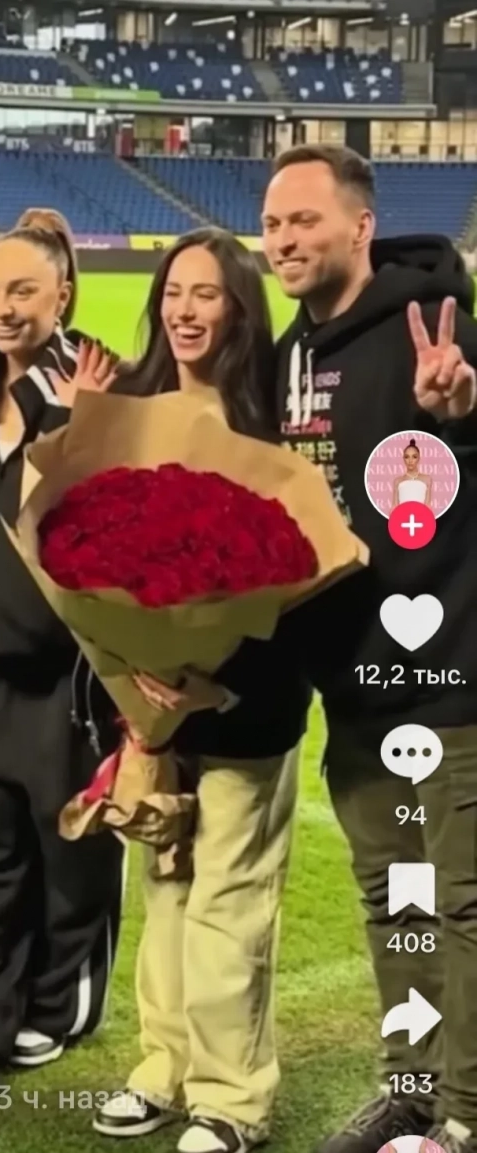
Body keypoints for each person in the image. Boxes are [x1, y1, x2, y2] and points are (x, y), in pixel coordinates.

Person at [264, 143, 477, 1153]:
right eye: (272, 224)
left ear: (360, 225)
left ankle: (467, 1111)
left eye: (304, 219)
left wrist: (462, 419)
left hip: (450, 673)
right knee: (398, 901)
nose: (283, 240)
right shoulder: (287, 355)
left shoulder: (435, 327)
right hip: (350, 685)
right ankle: (414, 1090)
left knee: (463, 902)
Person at [90, 228, 311, 1153]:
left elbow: (301, 562)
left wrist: (215, 663)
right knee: (168, 889)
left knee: (230, 899)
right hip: (156, 704)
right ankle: (165, 1067)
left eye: (206, 294)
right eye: (174, 292)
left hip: (250, 699)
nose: (185, 310)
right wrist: (134, 664)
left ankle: (232, 1098)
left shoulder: (275, 419)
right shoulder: (130, 405)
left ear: (239, 309)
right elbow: (88, 550)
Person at [0, 209, 126, 1101]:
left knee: (69, 853)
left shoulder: (102, 385)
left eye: (23, 291)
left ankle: (58, 1001)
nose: (2, 307)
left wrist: (79, 430)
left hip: (64, 683)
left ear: (62, 295)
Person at [391, 438, 433, 514]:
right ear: (403, 459)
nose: (410, 460)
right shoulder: (398, 481)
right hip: (402, 517)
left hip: (421, 517)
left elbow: (427, 506)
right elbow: (395, 506)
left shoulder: (427, 479)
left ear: (419, 458)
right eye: (407, 457)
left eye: (414, 457)